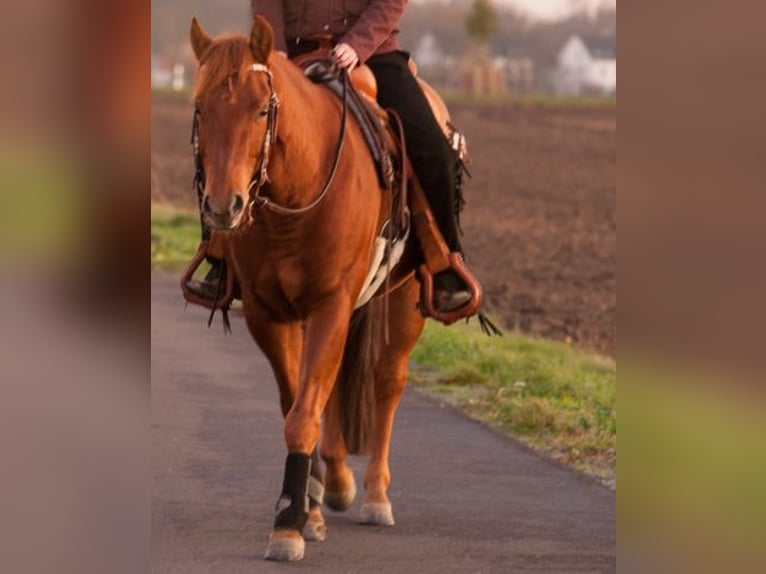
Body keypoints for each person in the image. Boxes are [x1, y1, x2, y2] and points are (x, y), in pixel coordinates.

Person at [192, 1, 472, 312]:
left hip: (373, 55)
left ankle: (446, 266)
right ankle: (220, 258)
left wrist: (357, 44)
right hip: (293, 55)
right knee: (228, 128)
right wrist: (277, 50)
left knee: (435, 152)